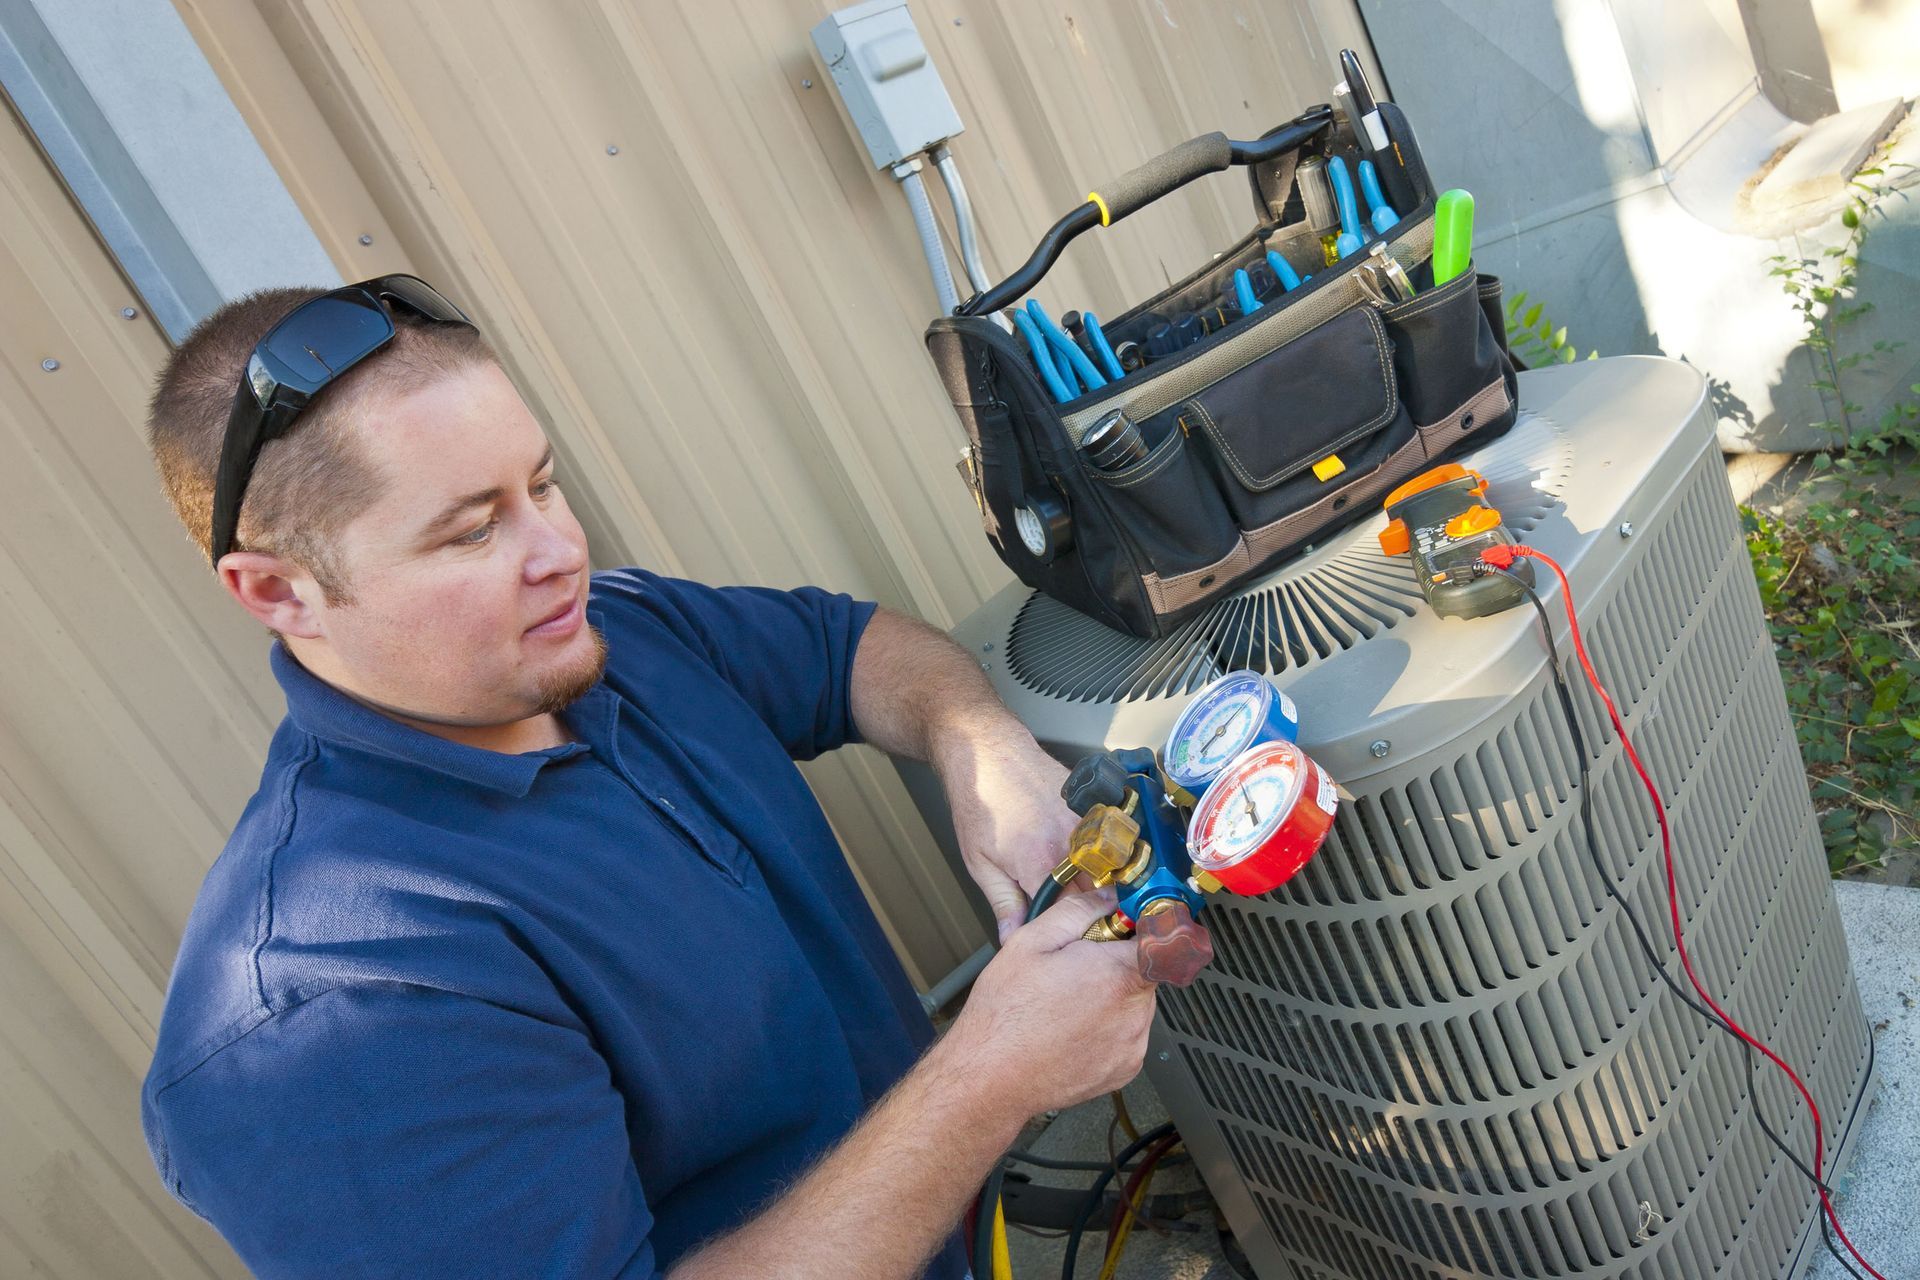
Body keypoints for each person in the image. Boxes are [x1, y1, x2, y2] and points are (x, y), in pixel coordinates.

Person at [138, 276, 1156, 1279]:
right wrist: (990, 1077)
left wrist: (981, 747)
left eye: (541, 482)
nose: (561, 551)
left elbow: (850, 649)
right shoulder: (326, 1012)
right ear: (280, 591)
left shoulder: (614, 634)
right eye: (473, 529)